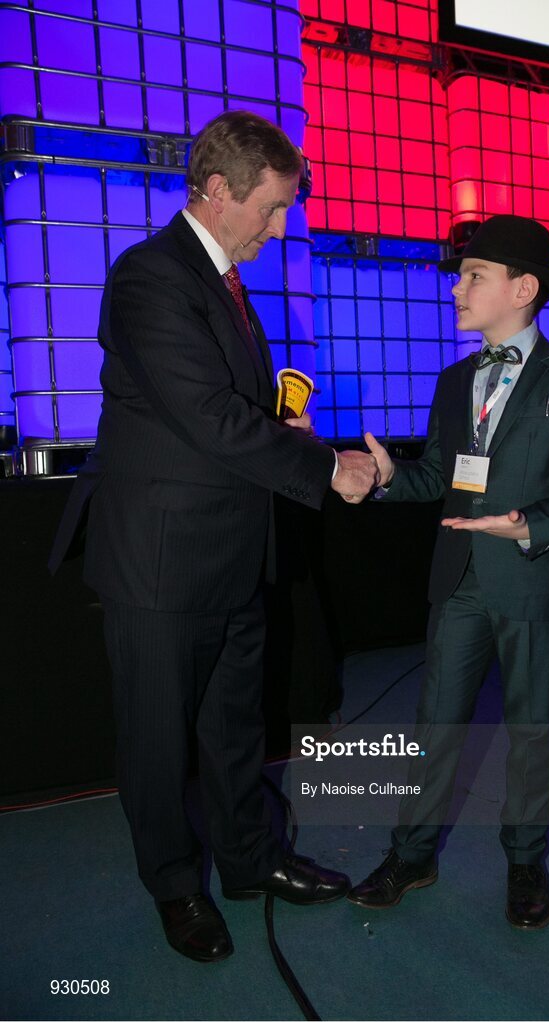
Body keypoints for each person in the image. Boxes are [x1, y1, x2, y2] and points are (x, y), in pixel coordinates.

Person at [48, 110, 378, 962]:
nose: (280, 226)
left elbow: (234, 417)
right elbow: (204, 415)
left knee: (235, 728)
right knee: (157, 740)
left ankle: (248, 861)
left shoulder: (223, 281)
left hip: (233, 551)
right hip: (160, 560)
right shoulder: (150, 276)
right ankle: (174, 886)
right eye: (271, 209)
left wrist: (300, 444)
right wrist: (322, 470)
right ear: (219, 190)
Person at [345, 214, 549, 929]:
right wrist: (383, 477)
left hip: (534, 580)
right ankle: (412, 855)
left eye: (473, 276)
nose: (456, 289)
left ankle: (524, 862)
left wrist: (531, 525)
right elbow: (439, 478)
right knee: (436, 724)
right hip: (459, 580)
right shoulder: (452, 380)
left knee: (531, 730)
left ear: (523, 288)